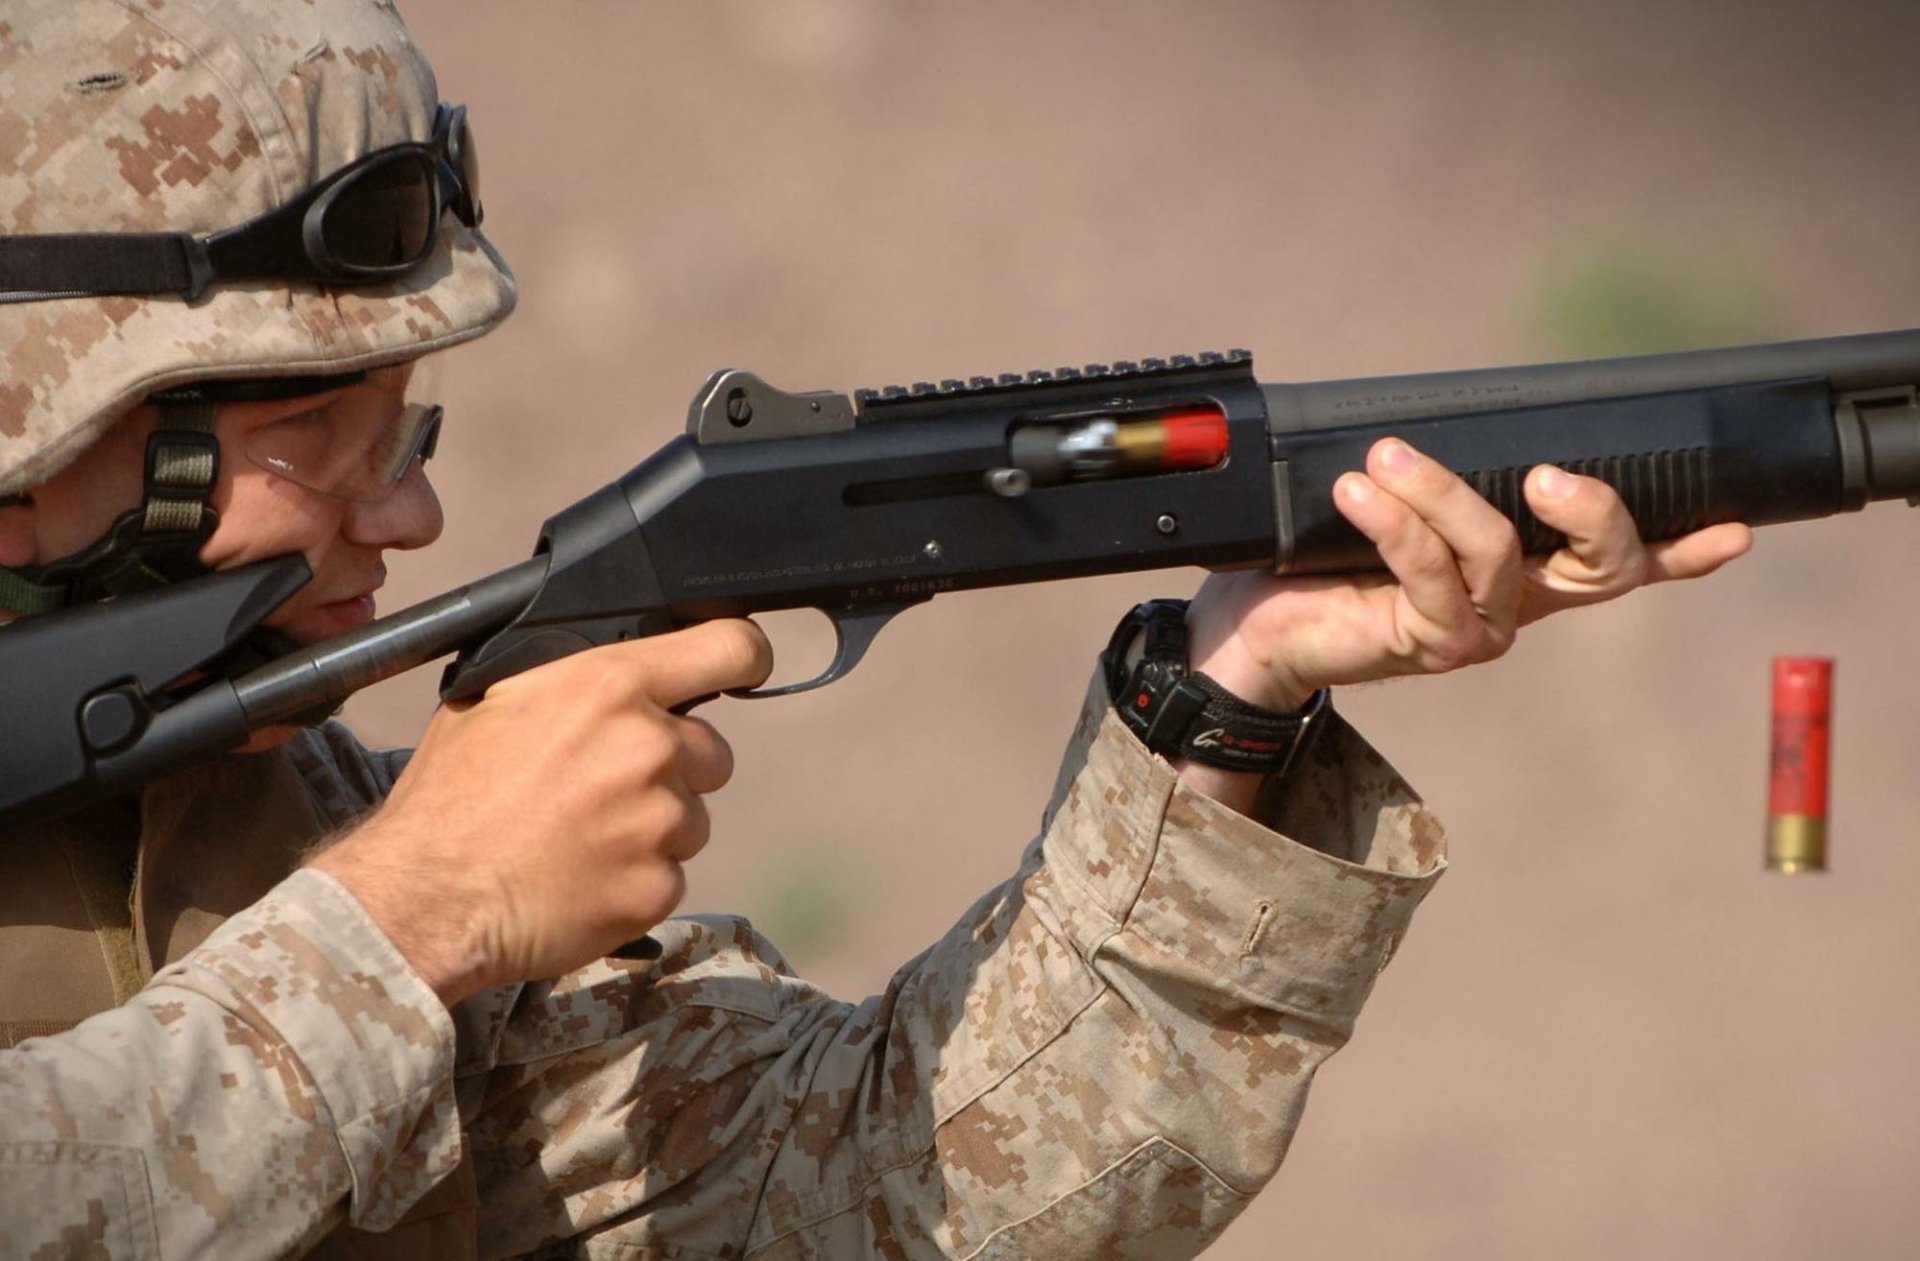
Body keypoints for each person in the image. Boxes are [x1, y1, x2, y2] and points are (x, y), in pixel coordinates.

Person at [0, 1, 1752, 1257]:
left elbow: (887, 1194)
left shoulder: (288, 826)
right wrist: (414, 910)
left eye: (406, 433)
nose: (409, 520)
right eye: (314, 436)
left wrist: (1233, 691)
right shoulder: (391, 889)